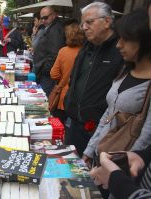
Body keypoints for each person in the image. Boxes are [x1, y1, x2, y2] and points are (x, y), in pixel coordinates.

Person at [89, 7, 151, 198]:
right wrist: (90, 150)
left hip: (123, 171)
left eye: (126, 39)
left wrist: (121, 171)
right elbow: (108, 114)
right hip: (103, 157)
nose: (119, 45)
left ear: (143, 40)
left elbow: (145, 136)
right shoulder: (125, 70)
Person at [64, 2, 124, 157]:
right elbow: (74, 79)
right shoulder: (86, 47)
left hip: (98, 129)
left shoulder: (120, 50)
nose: (83, 27)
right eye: (83, 23)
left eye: (89, 22)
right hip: (74, 123)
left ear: (107, 22)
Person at [50, 22, 85, 124]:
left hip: (64, 96)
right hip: (79, 99)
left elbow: (54, 74)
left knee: (59, 125)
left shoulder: (63, 51)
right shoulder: (86, 52)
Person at [32, 6, 65, 96]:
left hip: (47, 75)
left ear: (53, 15)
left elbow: (55, 54)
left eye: (45, 18)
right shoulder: (51, 27)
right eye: (41, 18)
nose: (43, 21)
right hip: (45, 72)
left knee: (44, 99)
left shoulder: (56, 30)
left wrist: (44, 70)